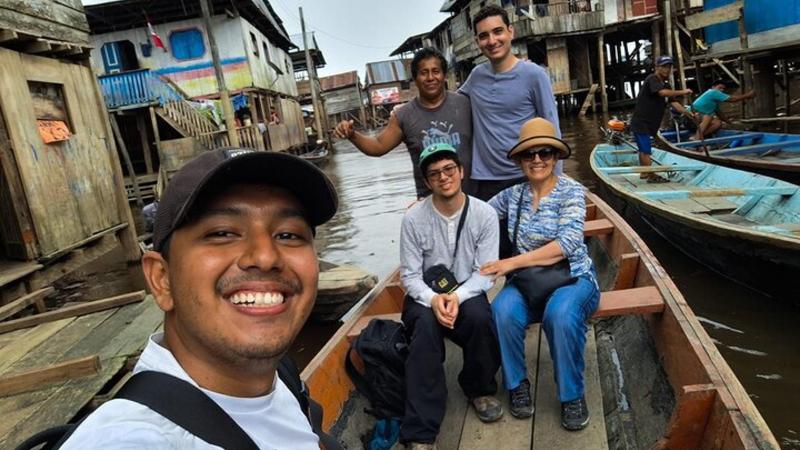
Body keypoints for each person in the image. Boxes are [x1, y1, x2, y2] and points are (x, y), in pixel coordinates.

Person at [59, 148, 340, 449]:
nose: (265, 257)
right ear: (162, 279)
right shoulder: (132, 438)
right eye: (222, 233)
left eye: (288, 235)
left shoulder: (280, 377)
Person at [481, 118, 600, 432]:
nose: (537, 159)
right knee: (501, 310)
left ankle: (572, 395)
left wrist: (510, 263)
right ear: (520, 160)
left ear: (556, 156)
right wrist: (434, 203)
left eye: (545, 152)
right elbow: (475, 214)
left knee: (560, 315)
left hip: (572, 277)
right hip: (529, 282)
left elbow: (567, 244)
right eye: (529, 154)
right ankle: (516, 384)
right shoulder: (513, 195)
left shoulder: (571, 191)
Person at [399, 143, 502, 448]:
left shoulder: (485, 214)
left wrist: (458, 296)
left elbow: (486, 271)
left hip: (466, 290)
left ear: (461, 172)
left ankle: (479, 388)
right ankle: (421, 429)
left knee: (481, 318)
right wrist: (433, 300)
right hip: (425, 294)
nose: (443, 177)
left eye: (448, 170)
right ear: (427, 182)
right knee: (424, 329)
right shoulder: (413, 218)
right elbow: (410, 275)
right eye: (434, 174)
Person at [333, 47, 472, 198]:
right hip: (430, 203)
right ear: (415, 78)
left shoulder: (464, 104)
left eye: (436, 71)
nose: (430, 77)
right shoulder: (404, 115)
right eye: (423, 73)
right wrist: (352, 135)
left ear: (444, 75)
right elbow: (378, 146)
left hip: (472, 199)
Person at [458, 5, 560, 202]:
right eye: (484, 36)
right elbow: (449, 103)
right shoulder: (476, 76)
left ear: (510, 31)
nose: (492, 41)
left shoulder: (534, 75)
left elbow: (552, 128)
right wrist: (411, 106)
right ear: (477, 42)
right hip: (486, 180)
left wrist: (555, 183)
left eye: (498, 31)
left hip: (527, 175)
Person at [628, 55, 694, 183]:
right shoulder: (652, 79)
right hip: (642, 122)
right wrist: (683, 92)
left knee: (644, 149)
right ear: (657, 67)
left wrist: (687, 113)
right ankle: (650, 175)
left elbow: (674, 103)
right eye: (664, 67)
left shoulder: (666, 84)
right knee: (646, 149)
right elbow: (662, 93)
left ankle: (644, 173)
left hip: (650, 124)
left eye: (669, 67)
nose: (667, 69)